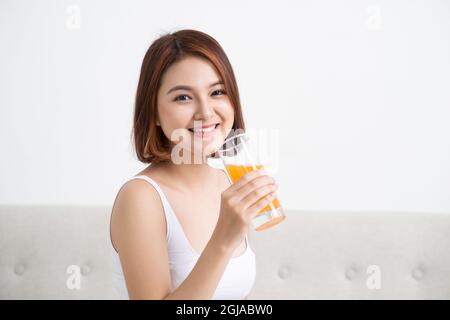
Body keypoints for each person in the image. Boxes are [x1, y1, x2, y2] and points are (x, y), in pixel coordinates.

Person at [109, 29, 278, 299]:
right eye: (183, 97)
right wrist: (223, 239)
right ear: (153, 112)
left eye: (217, 92)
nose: (206, 112)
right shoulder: (141, 198)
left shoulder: (229, 182)